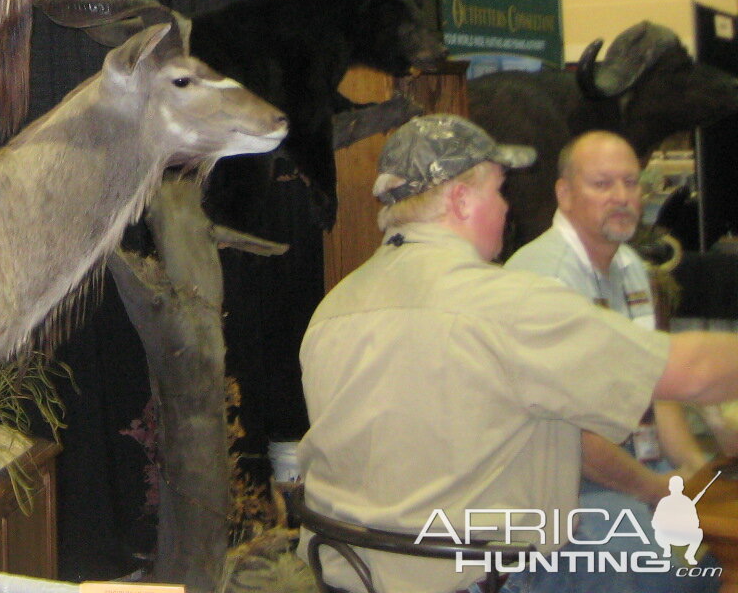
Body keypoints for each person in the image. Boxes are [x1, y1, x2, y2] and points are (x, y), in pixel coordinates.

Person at [298, 114, 738, 593]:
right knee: (699, 569)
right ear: (461, 199)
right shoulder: (505, 303)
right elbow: (689, 373)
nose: (507, 208)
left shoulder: (333, 307)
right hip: (483, 575)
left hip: (351, 570)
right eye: (499, 190)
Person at [506, 131, 716, 589]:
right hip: (565, 490)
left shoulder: (632, 268)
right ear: (565, 193)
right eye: (602, 184)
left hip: (635, 470)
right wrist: (657, 491)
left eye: (630, 182)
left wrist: (700, 478)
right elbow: (572, 439)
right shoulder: (542, 278)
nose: (621, 197)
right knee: (671, 578)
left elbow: (657, 391)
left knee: (712, 560)